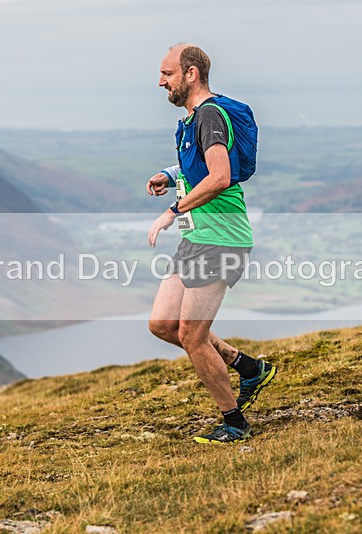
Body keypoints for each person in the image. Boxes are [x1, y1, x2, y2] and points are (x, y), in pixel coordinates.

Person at [146, 43, 276, 444]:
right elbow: (200, 164)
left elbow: (220, 176)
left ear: (191, 75)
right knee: (163, 325)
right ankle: (248, 367)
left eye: (167, 73)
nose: (160, 81)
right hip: (198, 237)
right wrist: (170, 174)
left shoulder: (209, 114)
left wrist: (174, 209)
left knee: (192, 335)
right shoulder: (193, 120)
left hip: (221, 238)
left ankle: (235, 424)